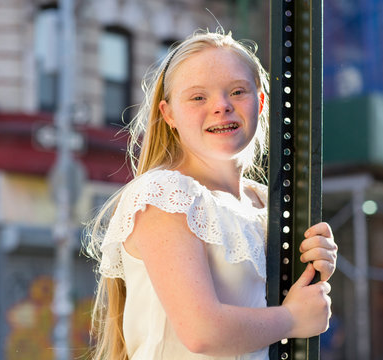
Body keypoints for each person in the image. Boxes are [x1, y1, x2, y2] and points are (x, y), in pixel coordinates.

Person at [84, 28, 337, 360]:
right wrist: (292, 319)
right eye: (198, 97)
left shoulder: (267, 205)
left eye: (237, 91)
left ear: (260, 102)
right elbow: (202, 332)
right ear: (168, 114)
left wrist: (313, 270)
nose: (221, 106)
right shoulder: (165, 194)